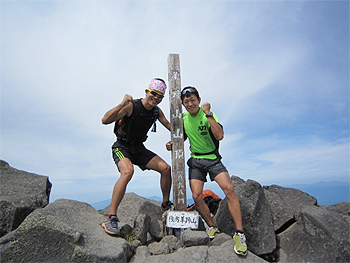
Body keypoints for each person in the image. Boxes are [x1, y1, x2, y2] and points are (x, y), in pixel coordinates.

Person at [166, 86, 248, 256]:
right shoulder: (183, 117)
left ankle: (239, 233)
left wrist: (209, 114)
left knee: (229, 190)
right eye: (186, 101)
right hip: (196, 160)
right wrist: (172, 144)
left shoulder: (207, 114)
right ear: (183, 104)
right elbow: (184, 136)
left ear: (199, 99)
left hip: (212, 159)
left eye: (192, 100)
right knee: (196, 196)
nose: (189, 103)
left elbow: (219, 135)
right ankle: (212, 226)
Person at [101, 78, 173, 236]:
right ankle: (111, 217)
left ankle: (165, 204)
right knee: (127, 172)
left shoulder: (156, 111)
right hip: (122, 147)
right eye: (154, 93)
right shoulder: (131, 106)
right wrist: (121, 104)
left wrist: (177, 139)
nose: (156, 98)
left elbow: (170, 126)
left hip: (139, 149)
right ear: (147, 91)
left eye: (160, 96)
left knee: (166, 169)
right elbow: (105, 120)